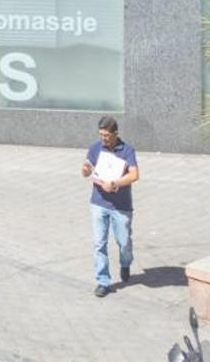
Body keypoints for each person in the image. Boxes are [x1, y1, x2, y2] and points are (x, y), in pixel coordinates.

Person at [81, 114, 139, 297]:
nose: (103, 138)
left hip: (121, 205)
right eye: (101, 135)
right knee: (99, 244)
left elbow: (134, 175)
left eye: (106, 135)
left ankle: (125, 263)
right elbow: (86, 169)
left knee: (124, 243)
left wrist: (115, 184)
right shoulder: (95, 148)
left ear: (115, 133)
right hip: (98, 203)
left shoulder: (127, 150)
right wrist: (85, 170)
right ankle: (103, 281)